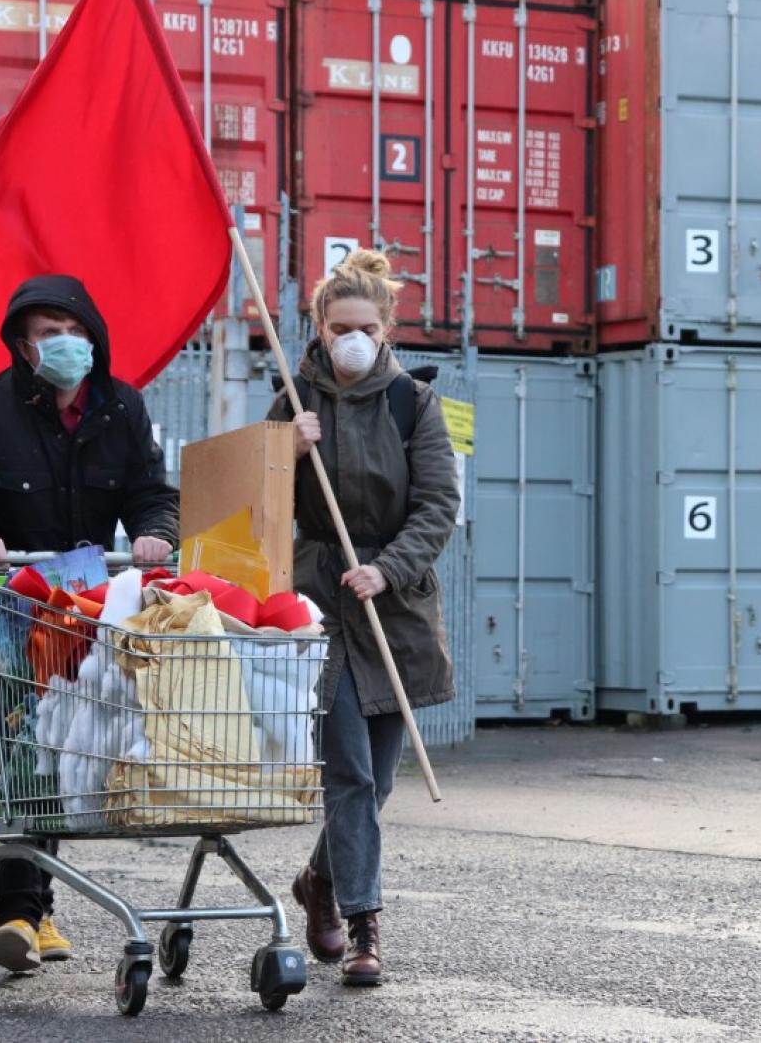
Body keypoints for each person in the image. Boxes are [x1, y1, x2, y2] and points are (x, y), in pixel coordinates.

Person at [0, 274, 178, 974]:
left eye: (73, 329)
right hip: (6, 613)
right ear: (23, 347)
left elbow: (153, 492)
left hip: (85, 614)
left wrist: (154, 531)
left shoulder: (121, 409)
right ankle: (20, 914)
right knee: (17, 757)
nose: (63, 342)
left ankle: (38, 908)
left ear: (93, 336)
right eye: (46, 332)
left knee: (66, 747)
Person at [268, 248, 460, 987]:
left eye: (366, 326)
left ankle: (320, 879)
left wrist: (390, 567)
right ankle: (364, 925)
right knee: (347, 771)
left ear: (386, 330)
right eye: (339, 324)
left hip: (394, 605)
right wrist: (284, 452)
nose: (352, 337)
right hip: (319, 605)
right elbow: (256, 503)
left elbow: (438, 504)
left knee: (376, 781)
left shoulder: (415, 402)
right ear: (318, 324)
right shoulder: (292, 398)